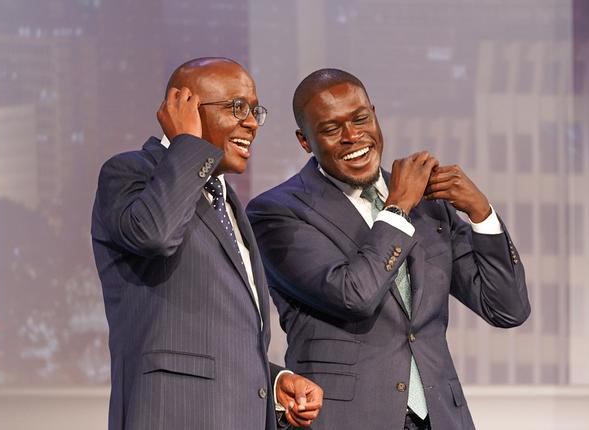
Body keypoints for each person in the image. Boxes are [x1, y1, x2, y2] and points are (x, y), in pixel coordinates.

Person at [246, 68, 530, 430]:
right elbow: (353, 294)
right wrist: (396, 210)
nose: (352, 136)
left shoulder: (428, 202)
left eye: (360, 119)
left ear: (375, 115)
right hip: (347, 418)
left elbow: (507, 309)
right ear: (305, 141)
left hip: (441, 415)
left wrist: (482, 213)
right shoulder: (277, 212)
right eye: (332, 129)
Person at [91, 57, 323, 430]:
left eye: (254, 110)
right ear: (185, 108)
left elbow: (217, 339)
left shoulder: (226, 199)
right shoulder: (130, 173)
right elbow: (155, 234)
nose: (251, 122)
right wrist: (186, 142)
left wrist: (273, 381)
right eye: (236, 108)